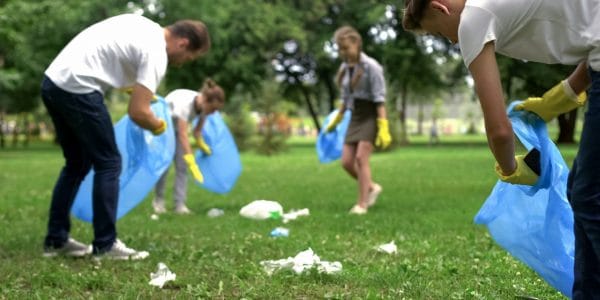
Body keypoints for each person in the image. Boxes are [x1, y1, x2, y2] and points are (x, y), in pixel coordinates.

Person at [402, 0, 599, 297]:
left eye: (441, 34)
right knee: (583, 193)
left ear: (439, 7)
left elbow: (499, 131)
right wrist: (560, 97)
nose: (453, 40)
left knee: (589, 198)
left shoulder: (473, 18)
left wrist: (511, 168)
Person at [41, 13, 210, 260]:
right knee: (109, 162)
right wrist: (158, 125)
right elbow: (138, 112)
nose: (183, 63)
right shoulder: (157, 54)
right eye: (188, 57)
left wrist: (131, 88)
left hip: (53, 82)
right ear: (183, 43)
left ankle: (56, 240)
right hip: (79, 88)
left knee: (77, 164)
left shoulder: (143, 26)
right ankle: (105, 245)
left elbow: (107, 57)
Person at [325, 26, 392, 215]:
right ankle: (371, 187)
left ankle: (362, 204)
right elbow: (346, 99)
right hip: (355, 115)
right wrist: (337, 119)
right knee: (346, 162)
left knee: (361, 158)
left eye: (345, 48)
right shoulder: (345, 68)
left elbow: (380, 99)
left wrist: (383, 126)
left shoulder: (372, 67)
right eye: (339, 48)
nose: (342, 52)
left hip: (371, 114)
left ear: (356, 44)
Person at [152, 79, 225, 215]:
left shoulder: (204, 108)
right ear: (205, 101)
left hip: (179, 130)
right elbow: (183, 134)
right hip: (163, 129)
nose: (213, 112)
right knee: (164, 167)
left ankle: (180, 205)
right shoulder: (184, 104)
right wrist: (192, 161)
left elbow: (196, 132)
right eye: (213, 108)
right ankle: (159, 201)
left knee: (182, 167)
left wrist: (203, 146)